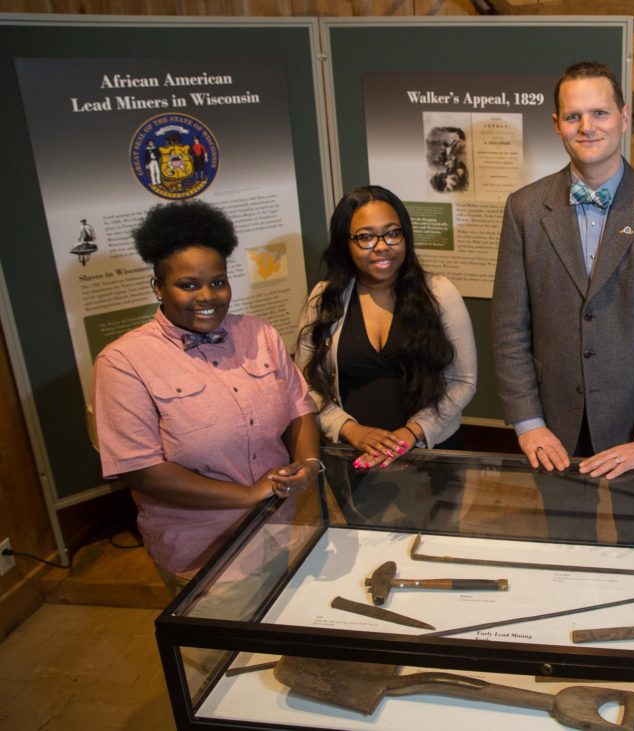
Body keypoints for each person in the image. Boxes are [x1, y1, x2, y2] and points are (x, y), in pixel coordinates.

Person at [492, 61, 634, 479]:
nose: (587, 126)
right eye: (573, 116)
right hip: (552, 426)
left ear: (624, 117)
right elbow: (508, 328)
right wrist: (528, 423)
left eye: (600, 113)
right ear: (557, 124)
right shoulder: (524, 209)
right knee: (561, 539)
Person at [92, 200, 320, 588]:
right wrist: (247, 494)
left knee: (281, 633)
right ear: (158, 288)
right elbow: (140, 470)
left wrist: (310, 462)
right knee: (220, 647)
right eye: (188, 285)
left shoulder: (260, 334)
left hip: (281, 526)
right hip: (202, 550)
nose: (207, 296)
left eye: (217, 282)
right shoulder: (123, 362)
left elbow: (300, 408)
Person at [295, 185, 476, 470]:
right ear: (346, 243)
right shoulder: (323, 298)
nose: (382, 246)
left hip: (431, 453)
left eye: (392, 233)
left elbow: (463, 381)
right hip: (350, 456)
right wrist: (350, 430)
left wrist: (410, 434)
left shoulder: (439, 293)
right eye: (365, 237)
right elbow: (304, 384)